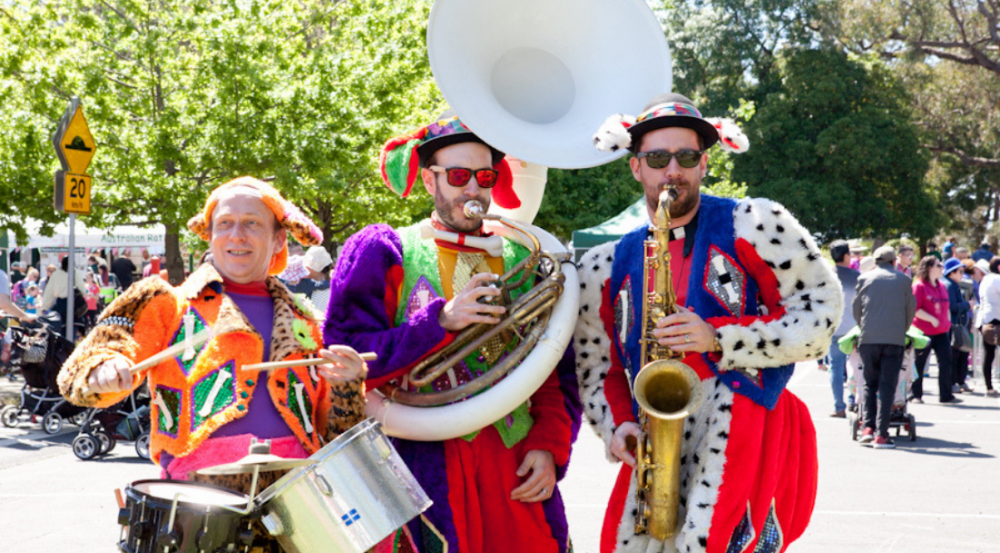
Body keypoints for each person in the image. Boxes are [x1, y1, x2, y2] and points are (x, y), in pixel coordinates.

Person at [580, 93, 841, 553]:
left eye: (687, 156)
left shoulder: (754, 223)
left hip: (740, 425)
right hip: (653, 440)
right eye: (658, 157)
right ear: (636, 167)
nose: (672, 170)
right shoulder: (609, 262)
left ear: (704, 164)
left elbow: (820, 313)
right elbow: (596, 362)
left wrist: (720, 338)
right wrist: (618, 423)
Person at [324, 112, 580, 553]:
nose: (473, 188)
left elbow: (556, 374)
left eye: (484, 175)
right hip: (419, 464)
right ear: (429, 182)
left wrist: (548, 446)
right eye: (459, 175)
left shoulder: (526, 257)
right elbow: (347, 356)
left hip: (512, 461)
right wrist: (439, 322)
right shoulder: (385, 249)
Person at [58, 177, 369, 506]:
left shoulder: (305, 322)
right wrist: (105, 368)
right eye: (224, 224)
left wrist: (347, 386)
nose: (237, 235)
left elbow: (336, 435)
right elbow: (98, 355)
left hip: (295, 500)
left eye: (251, 223)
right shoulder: (166, 303)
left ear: (279, 239)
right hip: (196, 501)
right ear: (210, 235)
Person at [853, 246, 915, 449]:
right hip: (894, 340)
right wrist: (900, 330)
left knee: (869, 384)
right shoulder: (904, 280)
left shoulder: (864, 278)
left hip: (868, 339)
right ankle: (882, 434)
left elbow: (857, 309)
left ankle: (867, 429)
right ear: (894, 262)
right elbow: (910, 311)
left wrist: (865, 329)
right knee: (887, 385)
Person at [911, 256, 958, 403]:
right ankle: (916, 395)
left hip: (942, 331)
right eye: (939, 265)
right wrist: (931, 319)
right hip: (923, 331)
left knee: (946, 361)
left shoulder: (942, 285)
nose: (941, 268)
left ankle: (946, 395)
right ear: (929, 268)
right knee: (919, 363)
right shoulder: (919, 286)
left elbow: (946, 306)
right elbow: (915, 309)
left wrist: (947, 321)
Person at [827, 240, 859, 417]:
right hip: (853, 329)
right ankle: (854, 402)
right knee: (855, 367)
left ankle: (838, 406)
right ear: (846, 256)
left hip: (834, 329)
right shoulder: (856, 276)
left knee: (836, 368)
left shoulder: (826, 276)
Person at [943, 258, 973, 393]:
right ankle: (953, 382)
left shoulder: (953, 284)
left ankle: (960, 380)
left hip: (959, 325)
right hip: (954, 326)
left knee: (962, 354)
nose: (962, 274)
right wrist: (968, 305)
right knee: (954, 356)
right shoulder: (949, 285)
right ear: (951, 273)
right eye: (960, 271)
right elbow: (952, 307)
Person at [40, 257, 87, 337]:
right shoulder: (75, 273)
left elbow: (49, 292)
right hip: (74, 305)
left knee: (60, 335)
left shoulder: (56, 274)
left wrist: (45, 307)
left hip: (61, 306)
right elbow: (83, 291)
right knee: (72, 335)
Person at [977, 257, 1000, 396]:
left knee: (988, 354)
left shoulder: (985, 279)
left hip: (984, 319)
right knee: (990, 354)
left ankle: (989, 387)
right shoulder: (997, 279)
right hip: (996, 319)